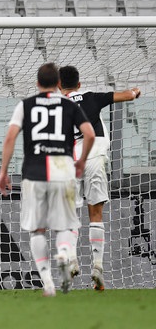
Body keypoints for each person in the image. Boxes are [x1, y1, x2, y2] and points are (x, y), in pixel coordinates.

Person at [0, 63, 95, 297]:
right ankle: (63, 251)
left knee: (38, 230)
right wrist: (81, 161)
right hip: (63, 170)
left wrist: (3, 171)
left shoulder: (26, 105)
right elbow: (90, 134)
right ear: (58, 84)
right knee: (64, 226)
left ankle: (47, 282)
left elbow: (10, 136)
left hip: (34, 171)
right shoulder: (69, 104)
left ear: (37, 82)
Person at [58, 65, 141, 291]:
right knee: (95, 213)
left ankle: (73, 260)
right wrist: (135, 91)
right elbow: (126, 96)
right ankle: (97, 267)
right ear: (79, 84)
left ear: (58, 86)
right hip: (94, 157)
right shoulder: (91, 97)